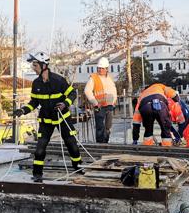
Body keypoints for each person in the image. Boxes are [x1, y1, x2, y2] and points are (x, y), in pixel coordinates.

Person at [14, 51, 81, 182]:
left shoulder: (58, 80)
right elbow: (34, 102)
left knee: (72, 145)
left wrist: (64, 103)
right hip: (45, 121)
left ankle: (78, 167)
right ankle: (37, 174)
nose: (33, 68)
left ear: (44, 65)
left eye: (35, 65)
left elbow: (72, 93)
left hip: (62, 118)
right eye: (33, 65)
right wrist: (22, 110)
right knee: (39, 149)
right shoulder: (36, 83)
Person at [84, 57, 117, 143]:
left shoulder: (110, 78)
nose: (100, 70)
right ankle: (100, 144)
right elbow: (87, 91)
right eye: (99, 68)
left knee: (108, 127)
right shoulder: (93, 78)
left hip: (109, 106)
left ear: (107, 69)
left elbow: (114, 90)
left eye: (102, 68)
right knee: (100, 127)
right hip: (99, 106)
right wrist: (95, 102)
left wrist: (114, 102)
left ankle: (105, 143)